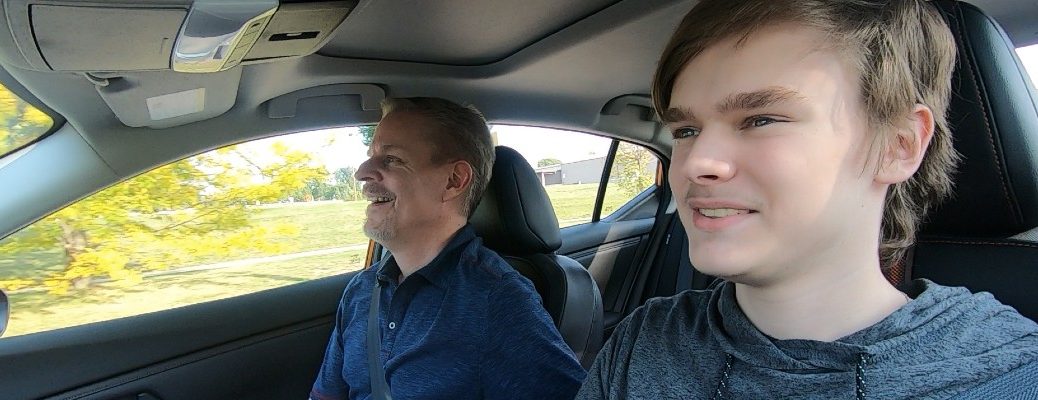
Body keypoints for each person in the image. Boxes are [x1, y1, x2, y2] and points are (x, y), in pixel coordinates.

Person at [577, 1, 1038, 399]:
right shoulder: (644, 342)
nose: (698, 162)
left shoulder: (1014, 374)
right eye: (686, 131)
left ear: (898, 146)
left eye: (760, 119)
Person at [310, 97, 585, 400]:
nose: (361, 172)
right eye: (370, 156)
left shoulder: (498, 301)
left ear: (454, 181)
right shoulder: (361, 290)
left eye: (391, 159)